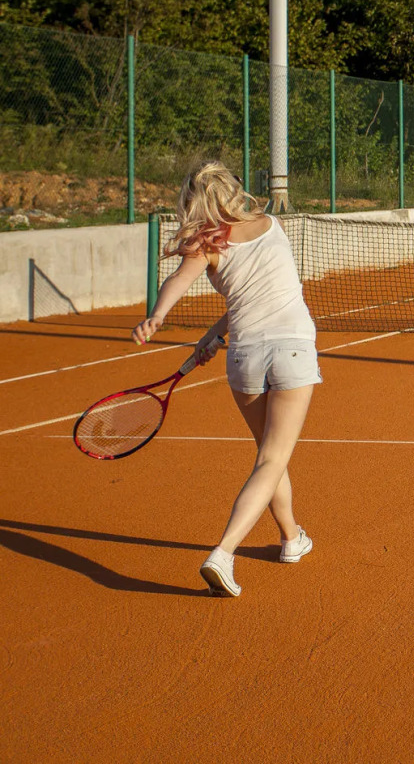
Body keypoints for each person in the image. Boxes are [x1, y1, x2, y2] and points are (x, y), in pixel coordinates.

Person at [134, 161, 319, 597]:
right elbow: (269, 293)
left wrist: (165, 320)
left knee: (269, 458)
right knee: (271, 459)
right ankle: (224, 552)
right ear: (233, 192)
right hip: (292, 349)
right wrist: (175, 321)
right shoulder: (271, 224)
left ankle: (291, 538)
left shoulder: (207, 243)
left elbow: (191, 284)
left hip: (247, 357)